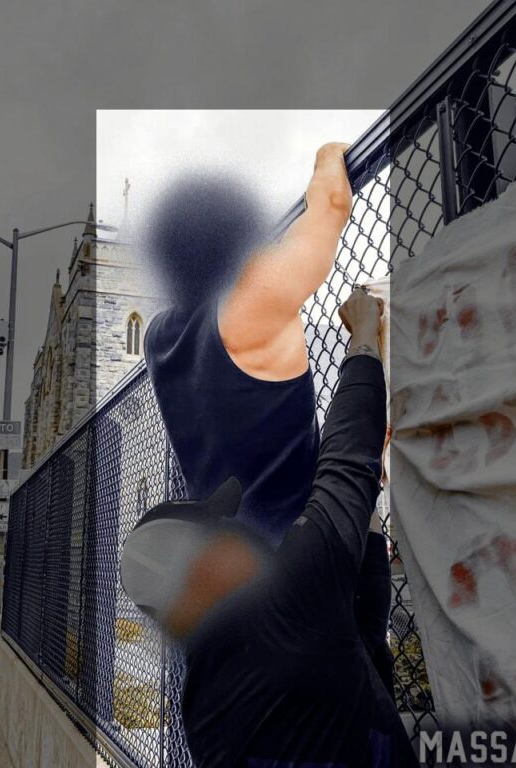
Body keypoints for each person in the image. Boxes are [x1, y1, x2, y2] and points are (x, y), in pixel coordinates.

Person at [122, 287, 416, 768]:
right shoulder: (292, 597)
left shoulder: (200, 704)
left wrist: (364, 506)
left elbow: (358, 627)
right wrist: (364, 332)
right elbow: (347, 454)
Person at [143, 143, 396, 689]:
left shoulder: (158, 336)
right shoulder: (252, 303)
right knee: (355, 693)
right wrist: (331, 155)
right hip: (305, 563)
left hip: (233, 575)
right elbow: (331, 206)